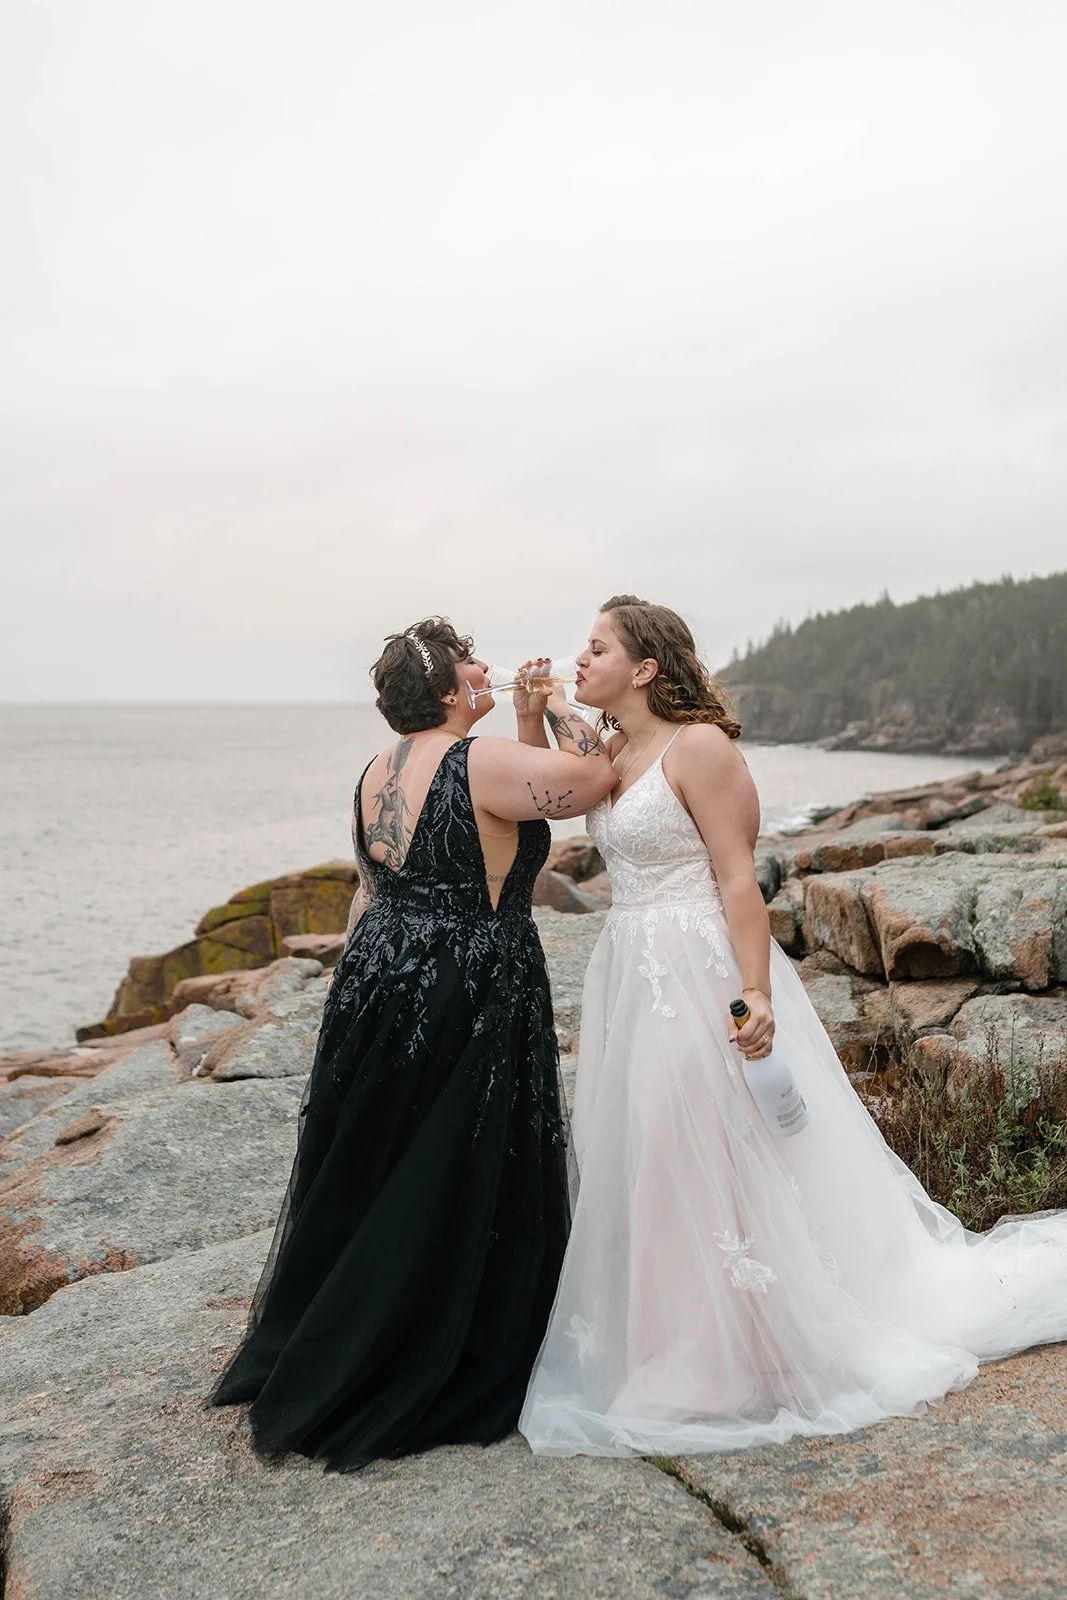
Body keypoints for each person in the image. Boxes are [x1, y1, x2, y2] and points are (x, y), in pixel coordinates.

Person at [519, 593, 1067, 1457]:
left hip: (700, 964)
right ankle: (678, 1341)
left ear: (647, 667)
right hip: (630, 967)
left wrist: (756, 991)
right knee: (648, 1143)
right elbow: (552, 796)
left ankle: (733, 1353)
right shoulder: (616, 748)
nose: (578, 660)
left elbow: (739, 881)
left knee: (704, 1138)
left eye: (595, 648)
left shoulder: (700, 748)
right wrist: (536, 707)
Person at [210, 618, 614, 1468]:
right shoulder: (482, 762)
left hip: (379, 972)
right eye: (473, 662)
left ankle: (352, 1322)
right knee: (458, 1156)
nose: (486, 668)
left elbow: (369, 890)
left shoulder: (375, 771)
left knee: (386, 1156)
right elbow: (594, 781)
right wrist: (560, 702)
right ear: (446, 687)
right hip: (469, 976)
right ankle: (445, 1342)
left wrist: (524, 718)